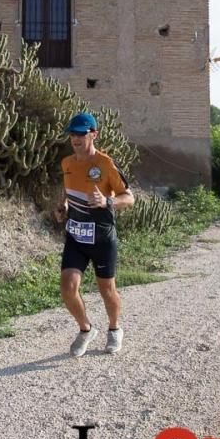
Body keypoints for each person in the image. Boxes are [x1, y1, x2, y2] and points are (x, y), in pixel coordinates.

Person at [52, 112, 135, 357]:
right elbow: (70, 193)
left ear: (94, 134)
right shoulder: (67, 163)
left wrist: (108, 201)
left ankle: (114, 328)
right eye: (72, 134)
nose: (75, 138)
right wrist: (64, 207)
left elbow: (129, 198)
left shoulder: (106, 164)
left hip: (101, 237)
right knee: (68, 288)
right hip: (76, 236)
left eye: (81, 133)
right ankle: (86, 329)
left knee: (107, 290)